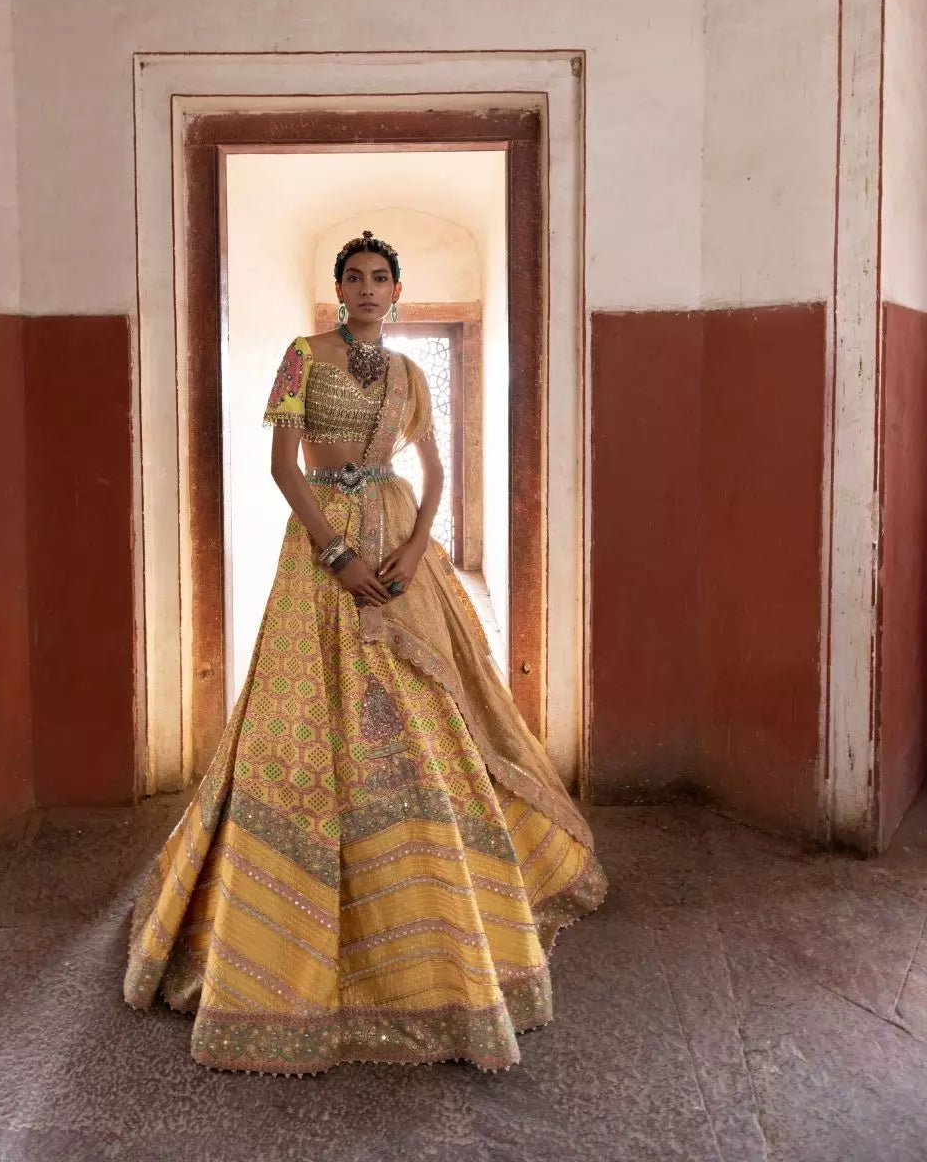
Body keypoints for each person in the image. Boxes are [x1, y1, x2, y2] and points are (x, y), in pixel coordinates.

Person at [124, 230, 607, 1074]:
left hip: (398, 540)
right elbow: (283, 468)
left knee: (423, 708)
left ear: (397, 288)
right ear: (339, 288)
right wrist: (333, 553)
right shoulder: (301, 357)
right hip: (322, 545)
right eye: (355, 276)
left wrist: (423, 547)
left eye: (382, 276)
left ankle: (432, 906)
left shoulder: (413, 375)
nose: (369, 287)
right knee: (311, 705)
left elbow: (436, 469)